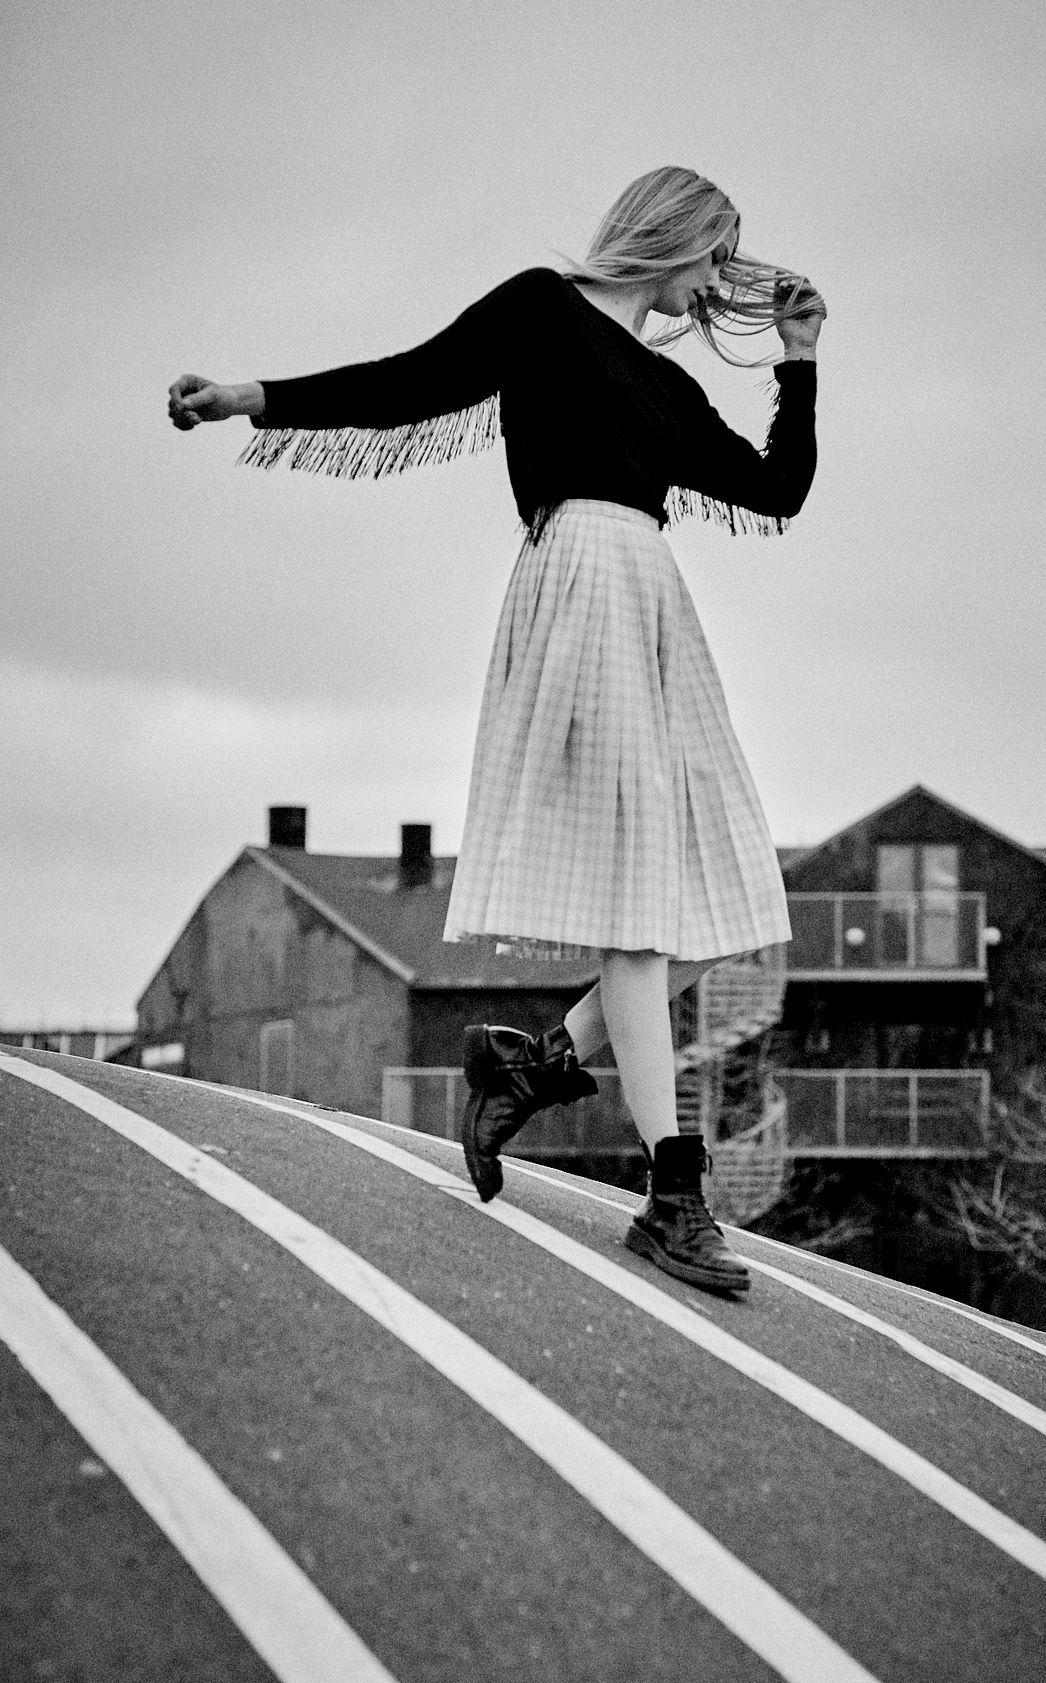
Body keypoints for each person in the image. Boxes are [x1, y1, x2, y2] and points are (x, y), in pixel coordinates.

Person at [169, 165, 823, 1297]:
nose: (720, 281)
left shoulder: (666, 388)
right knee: (641, 923)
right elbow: (402, 385)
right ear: (669, 238)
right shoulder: (541, 309)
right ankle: (675, 1198)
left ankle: (535, 1063)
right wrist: (247, 396)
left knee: (727, 903)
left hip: (657, 609)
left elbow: (780, 490)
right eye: (715, 255)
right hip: (579, 589)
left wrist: (802, 362)